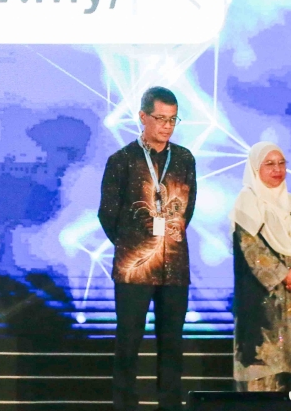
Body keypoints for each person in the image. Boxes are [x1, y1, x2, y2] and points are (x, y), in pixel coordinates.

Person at [98, 86, 197, 411]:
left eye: (172, 120)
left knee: (172, 343)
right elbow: (107, 213)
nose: (167, 126)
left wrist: (166, 238)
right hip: (134, 266)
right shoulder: (122, 160)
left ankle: (169, 404)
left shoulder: (183, 159)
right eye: (160, 119)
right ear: (143, 117)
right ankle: (125, 404)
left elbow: (189, 207)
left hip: (174, 265)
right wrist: (133, 243)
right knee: (128, 341)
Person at [229, 142, 291, 393]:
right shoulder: (247, 203)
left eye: (281, 163)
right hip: (259, 300)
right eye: (269, 164)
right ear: (255, 168)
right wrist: (283, 275)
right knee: (261, 369)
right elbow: (252, 251)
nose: (277, 169)